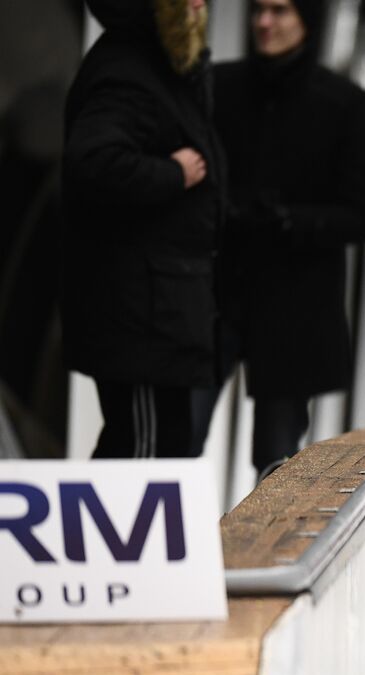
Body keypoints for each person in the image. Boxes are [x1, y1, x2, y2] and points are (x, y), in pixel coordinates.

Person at [213, 0, 365, 480]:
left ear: (306, 22)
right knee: (179, 428)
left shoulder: (344, 105)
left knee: (277, 456)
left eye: (279, 11)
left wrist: (290, 221)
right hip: (217, 294)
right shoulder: (218, 88)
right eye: (258, 11)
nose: (264, 23)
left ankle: (261, 555)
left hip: (293, 306)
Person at [62, 0, 224, 458]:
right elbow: (92, 162)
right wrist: (171, 174)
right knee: (141, 453)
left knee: (153, 446)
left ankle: (99, 532)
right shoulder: (128, 70)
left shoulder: (163, 65)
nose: (200, 4)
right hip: (140, 318)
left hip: (159, 314)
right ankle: (96, 534)